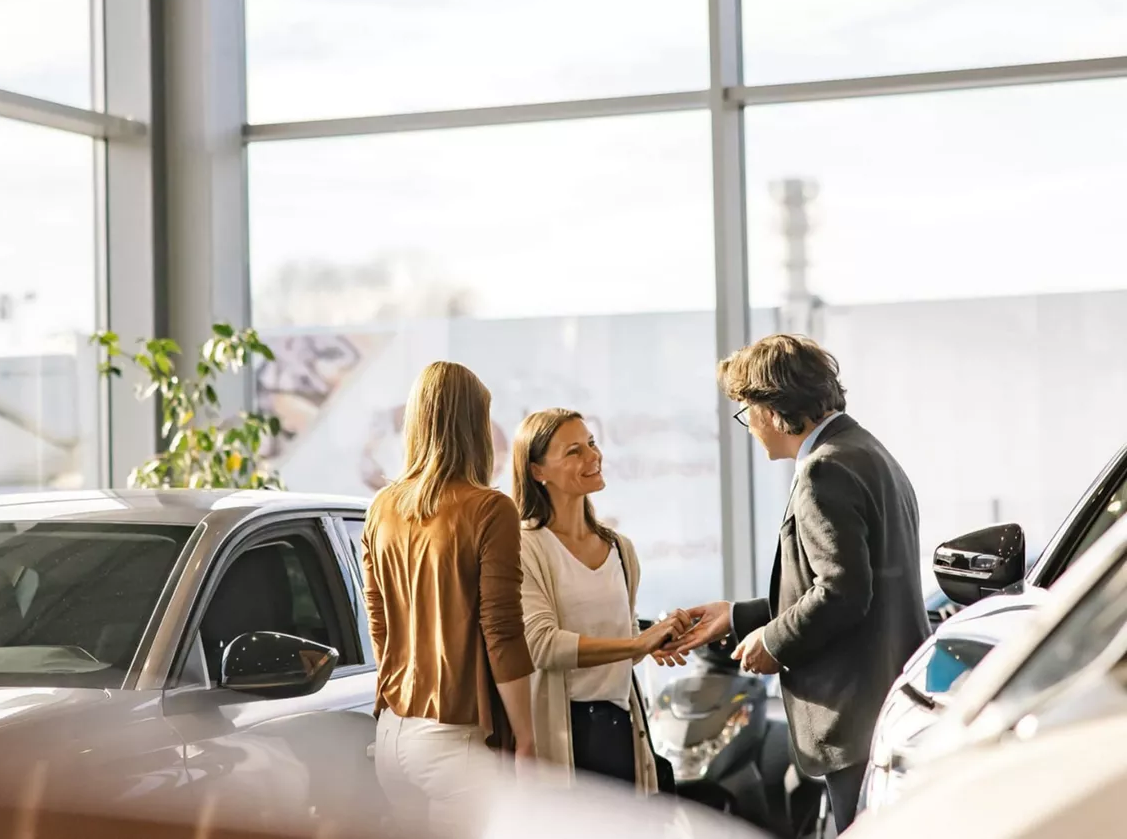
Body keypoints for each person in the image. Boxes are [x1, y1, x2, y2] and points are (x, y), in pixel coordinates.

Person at [657, 334, 930, 833]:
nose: (749, 426)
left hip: (852, 716)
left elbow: (843, 593)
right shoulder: (866, 451)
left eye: (746, 410)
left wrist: (774, 642)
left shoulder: (824, 470)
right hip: (881, 707)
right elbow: (837, 586)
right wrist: (738, 617)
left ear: (772, 407)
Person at [361, 362, 535, 836]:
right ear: (475, 426)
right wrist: (526, 733)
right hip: (453, 740)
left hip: (392, 735)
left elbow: (379, 626)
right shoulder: (490, 508)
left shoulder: (381, 507)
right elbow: (501, 630)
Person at [512, 408, 689, 792]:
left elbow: (625, 646)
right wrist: (636, 643)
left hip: (619, 727)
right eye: (574, 451)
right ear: (538, 471)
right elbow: (542, 645)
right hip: (568, 731)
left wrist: (654, 638)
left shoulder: (619, 549)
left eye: (591, 443)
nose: (593, 456)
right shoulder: (526, 546)